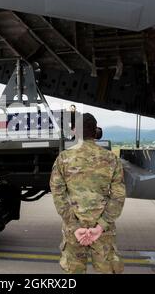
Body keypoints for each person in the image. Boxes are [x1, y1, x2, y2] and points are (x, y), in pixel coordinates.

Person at [50, 113, 126, 274]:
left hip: (74, 232)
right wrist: (100, 227)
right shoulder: (111, 159)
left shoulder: (63, 159)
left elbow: (58, 195)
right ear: (96, 132)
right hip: (103, 232)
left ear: (74, 131)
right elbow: (118, 196)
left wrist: (75, 227)